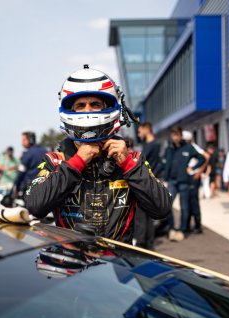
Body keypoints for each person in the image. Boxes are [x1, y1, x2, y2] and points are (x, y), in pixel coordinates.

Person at [25, 65, 172, 243]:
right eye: (80, 105)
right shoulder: (56, 160)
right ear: (70, 110)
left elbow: (161, 208)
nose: (88, 110)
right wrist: (78, 162)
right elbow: (34, 206)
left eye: (95, 104)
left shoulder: (132, 158)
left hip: (117, 263)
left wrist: (127, 165)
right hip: (71, 262)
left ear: (110, 106)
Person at [164, 127, 206, 241]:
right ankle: (172, 228)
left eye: (177, 134)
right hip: (171, 181)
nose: (175, 137)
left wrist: (192, 168)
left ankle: (182, 230)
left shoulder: (188, 147)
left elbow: (202, 158)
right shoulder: (169, 149)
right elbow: (164, 164)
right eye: (173, 134)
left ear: (180, 135)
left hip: (184, 182)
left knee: (184, 207)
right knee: (167, 205)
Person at [133, 122, 162, 249]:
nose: (139, 134)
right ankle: (148, 243)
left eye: (140, 132)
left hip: (147, 182)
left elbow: (145, 163)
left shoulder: (152, 145)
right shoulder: (149, 145)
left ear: (147, 129)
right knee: (147, 214)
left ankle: (141, 243)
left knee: (142, 214)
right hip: (149, 181)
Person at [182, 130, 209, 234]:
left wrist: (198, 171)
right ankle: (187, 225)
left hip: (193, 177)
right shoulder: (185, 148)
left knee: (193, 202)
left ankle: (197, 225)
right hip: (187, 177)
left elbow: (206, 157)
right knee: (187, 201)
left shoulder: (193, 147)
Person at [13, 132, 47, 198]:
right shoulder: (45, 151)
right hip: (45, 187)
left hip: (30, 189)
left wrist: (17, 187)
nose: (22, 142)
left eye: (24, 140)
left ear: (30, 140)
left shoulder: (28, 153)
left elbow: (21, 173)